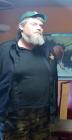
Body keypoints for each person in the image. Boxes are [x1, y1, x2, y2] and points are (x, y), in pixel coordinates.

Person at [0, 11, 58, 139]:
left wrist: (53, 112)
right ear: (21, 27)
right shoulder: (5, 50)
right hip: (14, 115)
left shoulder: (47, 52)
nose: (39, 27)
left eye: (41, 25)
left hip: (43, 114)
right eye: (34, 24)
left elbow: (53, 82)